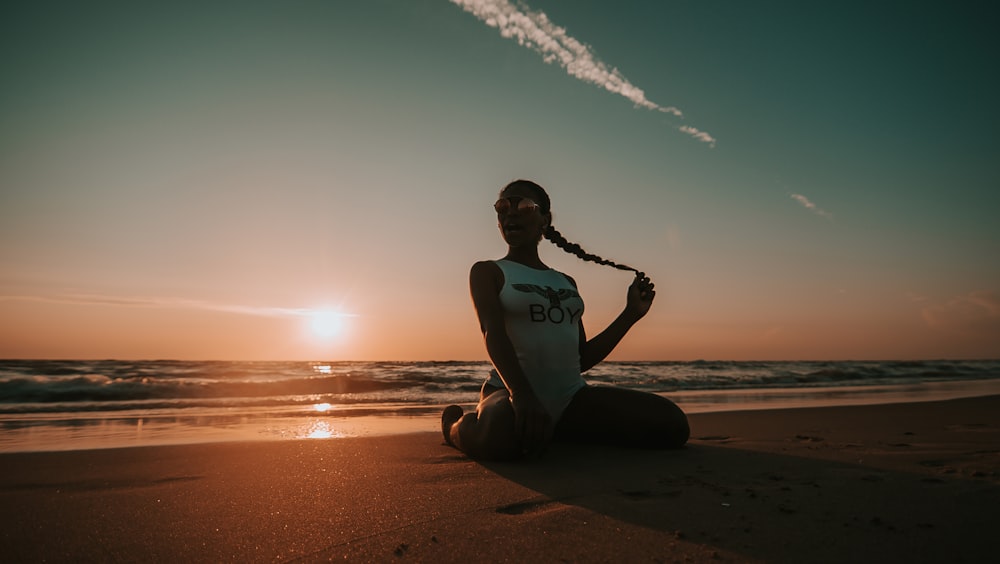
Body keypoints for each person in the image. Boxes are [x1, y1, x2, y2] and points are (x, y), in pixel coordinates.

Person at [441, 179, 689, 460]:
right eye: (502, 207)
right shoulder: (488, 271)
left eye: (522, 205)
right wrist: (521, 395)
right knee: (501, 433)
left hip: (571, 398)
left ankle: (553, 427)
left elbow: (580, 359)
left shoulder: (565, 282)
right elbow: (492, 333)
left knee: (672, 424)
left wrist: (631, 314)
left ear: (544, 220)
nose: (510, 212)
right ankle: (452, 427)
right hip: (509, 395)